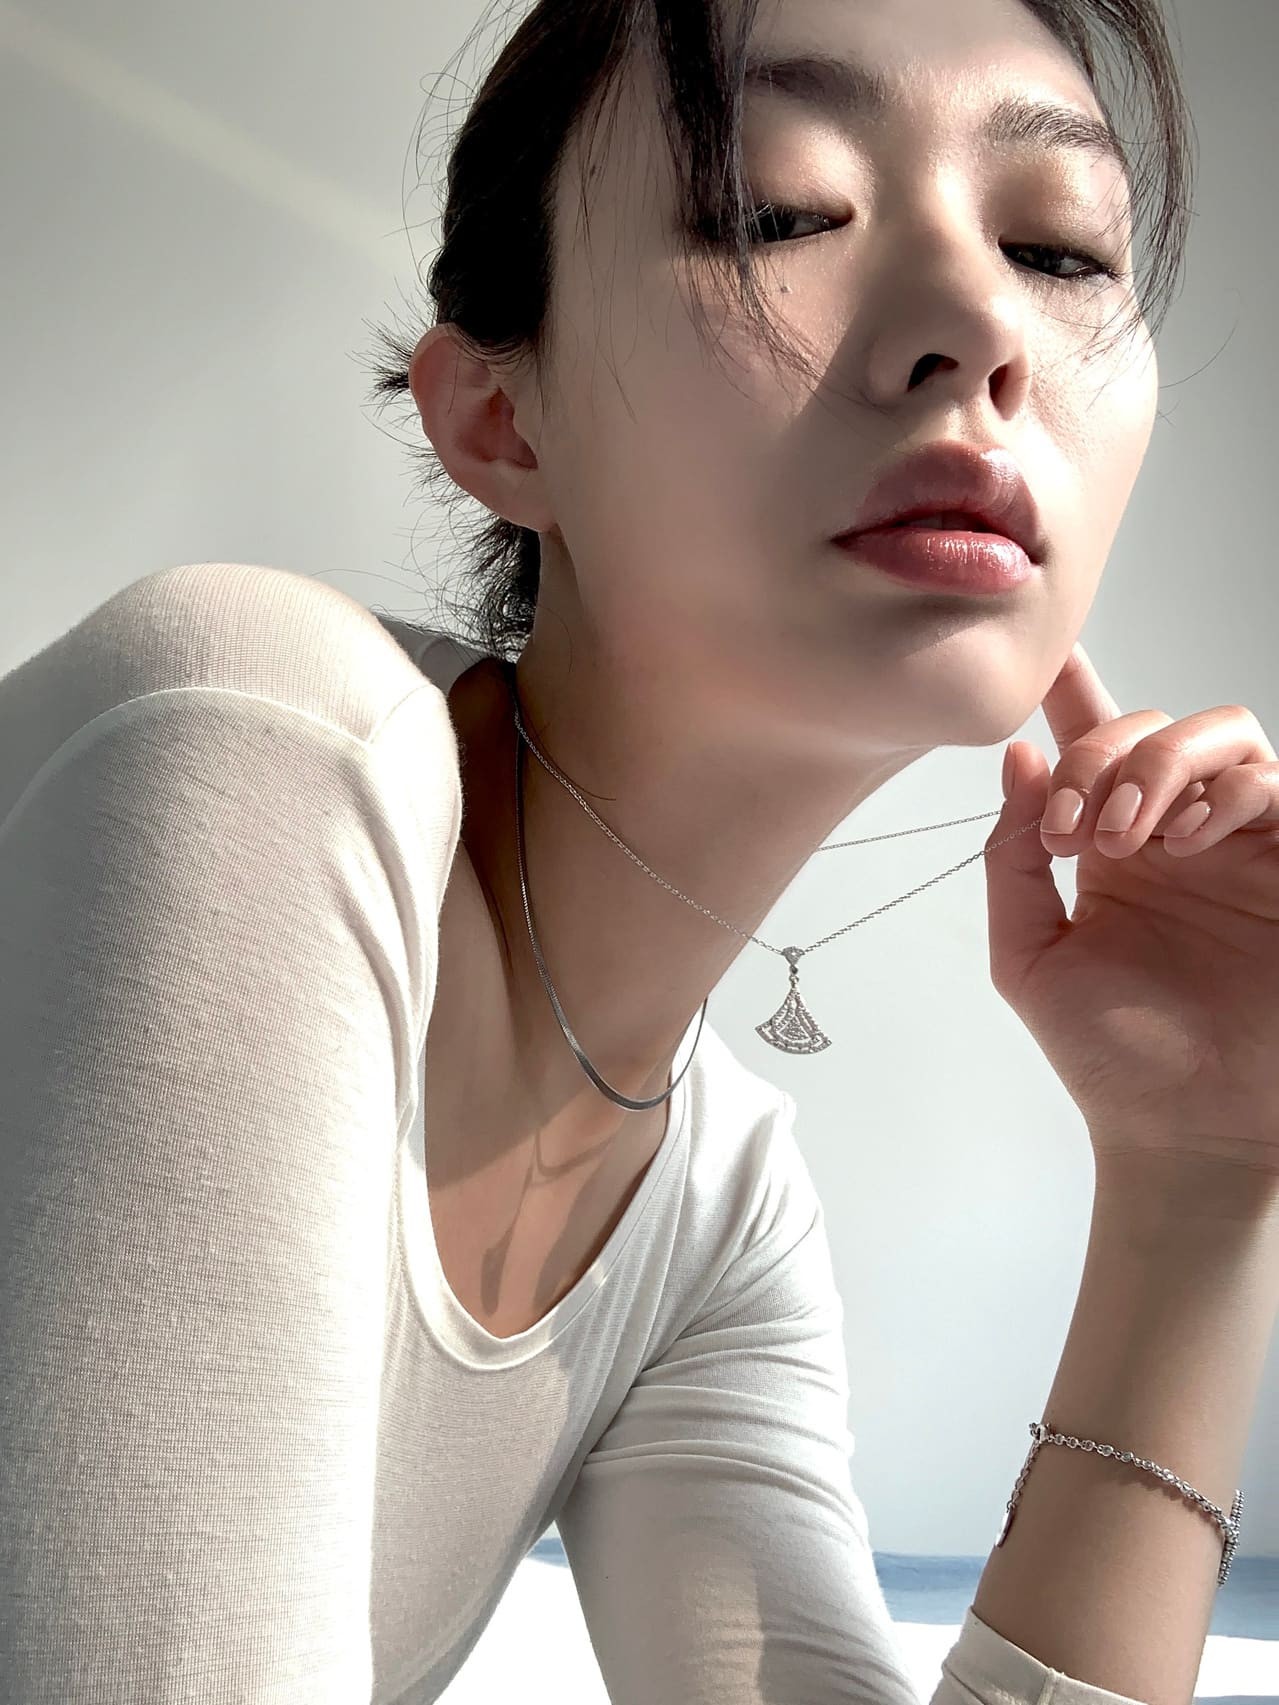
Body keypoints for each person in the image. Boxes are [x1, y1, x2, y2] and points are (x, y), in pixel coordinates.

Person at [10, 0, 1265, 1701]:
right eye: (778, 209)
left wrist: (1198, 1183)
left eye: (1057, 248)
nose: (983, 326)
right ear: (501, 424)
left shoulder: (713, 1202)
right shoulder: (258, 739)